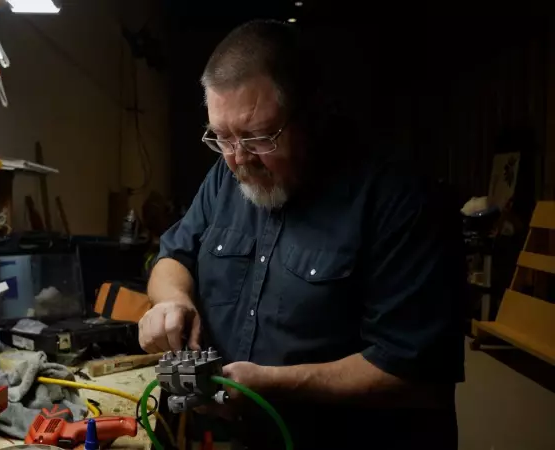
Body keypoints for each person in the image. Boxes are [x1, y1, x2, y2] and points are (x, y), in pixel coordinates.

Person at [138, 19, 464, 450]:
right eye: (222, 137)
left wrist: (271, 385)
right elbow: (173, 256)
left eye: (257, 137)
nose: (237, 160)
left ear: (311, 113)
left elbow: (417, 375)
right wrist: (172, 301)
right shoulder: (225, 176)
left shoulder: (400, 200)